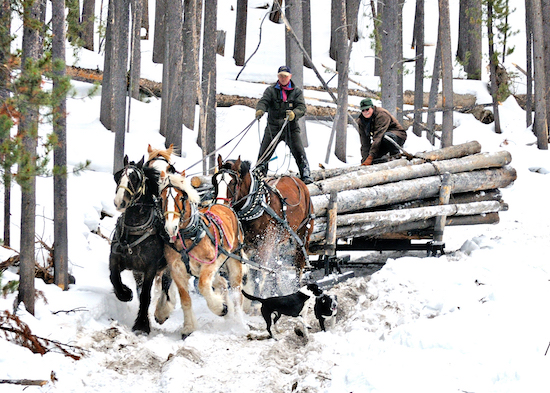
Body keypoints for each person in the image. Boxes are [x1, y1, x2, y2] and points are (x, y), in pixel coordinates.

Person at [255, 65, 313, 184]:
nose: (283, 78)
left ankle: (305, 173)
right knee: (264, 152)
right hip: (273, 128)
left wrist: (294, 114)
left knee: (299, 151)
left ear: (290, 77)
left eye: (285, 76)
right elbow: (263, 101)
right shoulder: (271, 90)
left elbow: (302, 108)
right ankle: (259, 173)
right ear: (278, 77)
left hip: (290, 128)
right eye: (281, 76)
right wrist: (260, 110)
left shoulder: (296, 92)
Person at [356, 98, 407, 166]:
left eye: (367, 109)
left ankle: (396, 156)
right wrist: (365, 160)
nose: (366, 112)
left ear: (372, 108)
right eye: (363, 110)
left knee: (386, 137)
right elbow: (364, 142)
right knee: (373, 159)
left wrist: (370, 157)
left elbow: (378, 136)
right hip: (380, 141)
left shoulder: (381, 115)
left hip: (396, 137)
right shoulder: (361, 121)